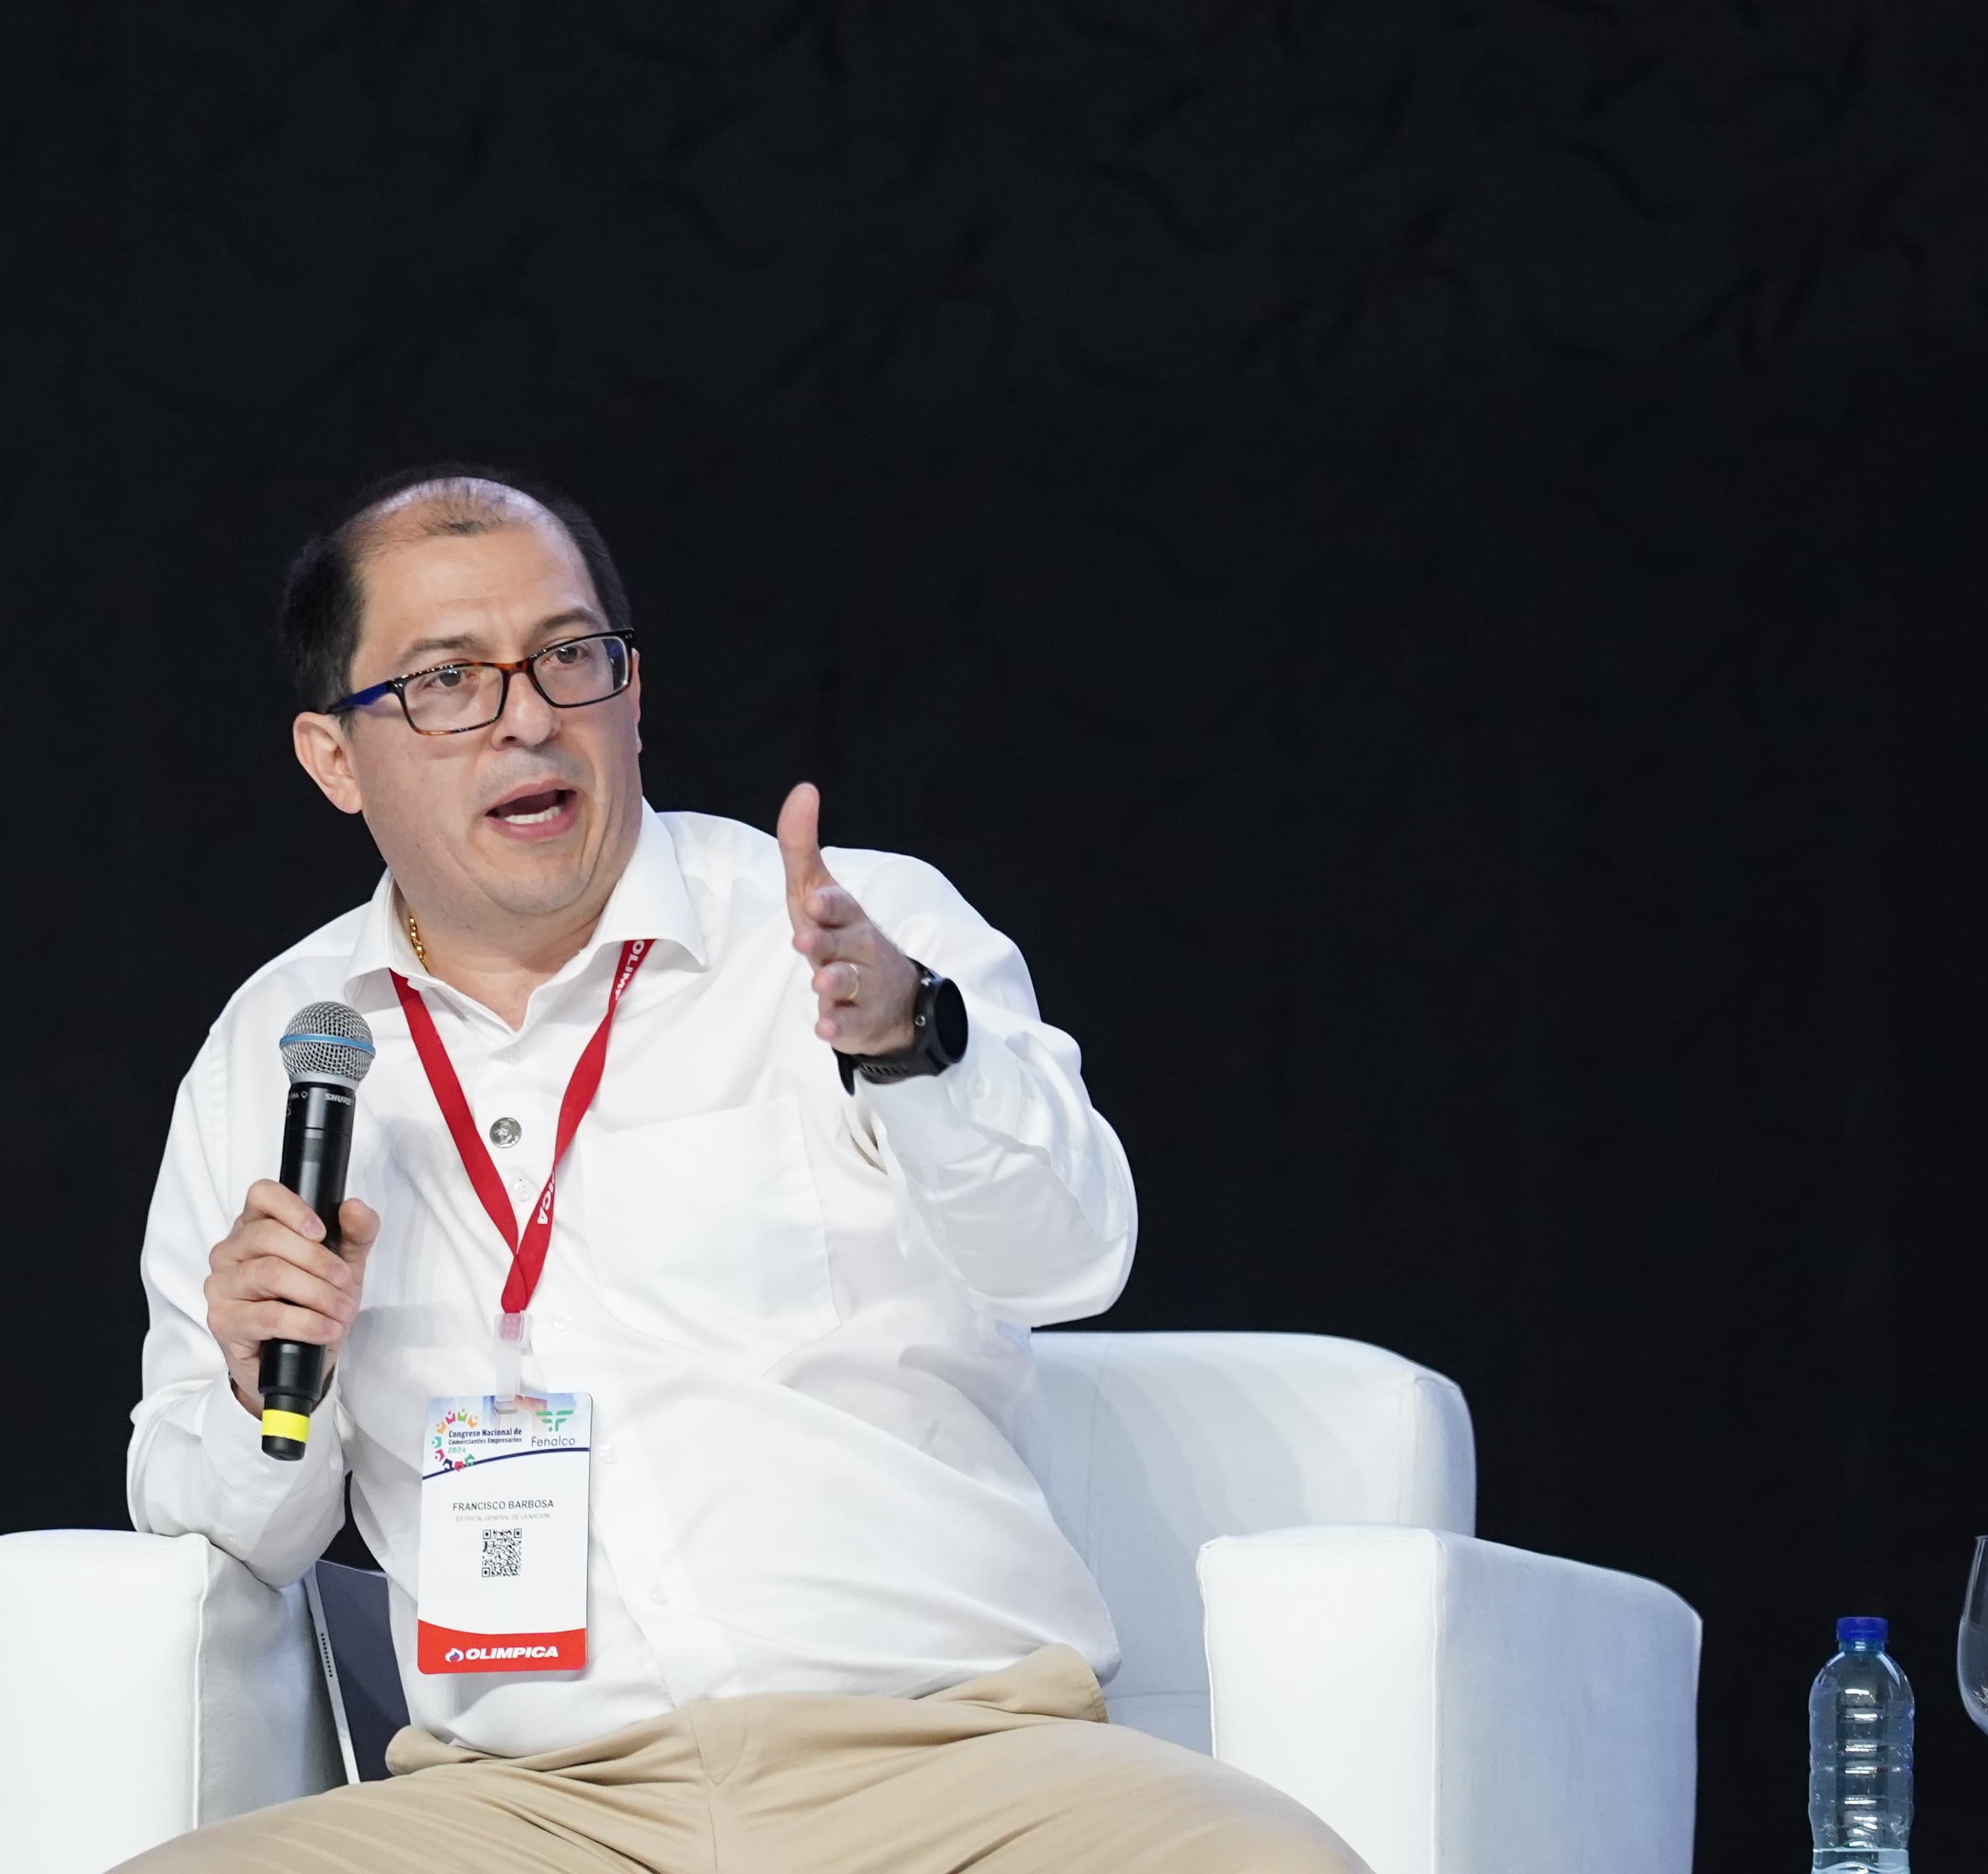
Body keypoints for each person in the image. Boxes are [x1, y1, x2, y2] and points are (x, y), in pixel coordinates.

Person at [120, 466, 1361, 1871]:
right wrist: (259, 1384)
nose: (527, 715)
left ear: (633, 694)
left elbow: (1071, 1259)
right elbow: (222, 1527)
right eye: (449, 681)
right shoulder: (271, 1050)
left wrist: (909, 1043)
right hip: (525, 1805)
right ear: (334, 756)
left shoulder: (850, 934)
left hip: (963, 1766)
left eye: (569, 656)